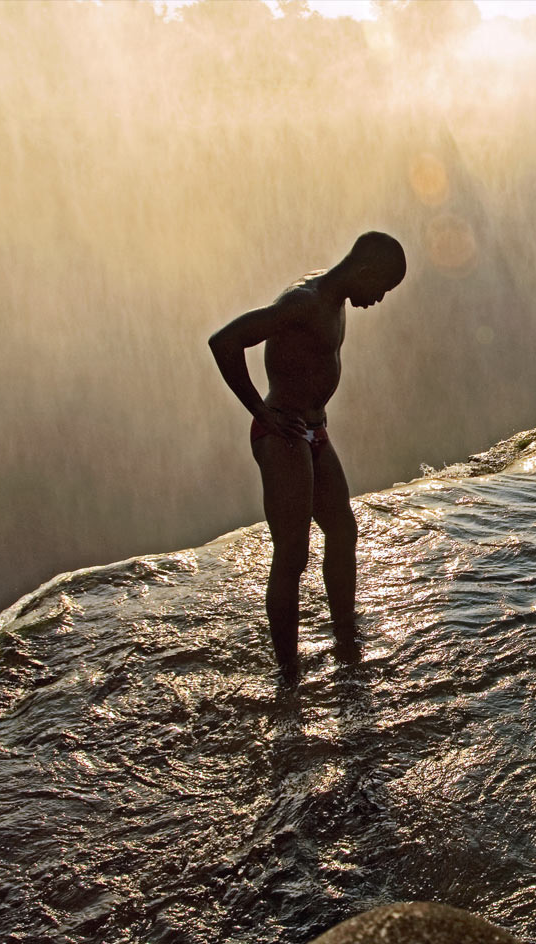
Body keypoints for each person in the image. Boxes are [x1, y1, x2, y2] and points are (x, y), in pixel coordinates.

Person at [209, 232, 406, 684]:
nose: (378, 300)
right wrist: (260, 411)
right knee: (293, 553)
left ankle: (345, 638)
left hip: (314, 431)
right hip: (284, 433)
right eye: (380, 289)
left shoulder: (333, 298)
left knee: (343, 529)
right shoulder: (305, 302)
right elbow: (225, 341)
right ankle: (288, 673)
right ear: (365, 271)